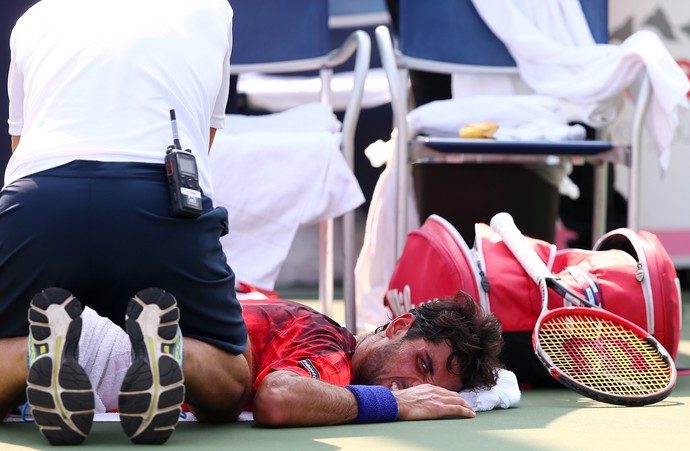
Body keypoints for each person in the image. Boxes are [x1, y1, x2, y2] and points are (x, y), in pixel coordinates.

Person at [1, 0, 251, 445]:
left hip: (40, 204)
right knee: (231, 386)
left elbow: (22, 147)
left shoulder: (32, 18)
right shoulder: (215, 9)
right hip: (159, 202)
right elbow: (203, 139)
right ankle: (168, 350)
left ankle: (42, 352)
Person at [28, 290, 504, 427]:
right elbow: (278, 397)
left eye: (429, 386)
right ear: (399, 326)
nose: (408, 385)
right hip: (101, 348)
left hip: (81, 337)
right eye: (420, 366)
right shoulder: (331, 352)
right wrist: (394, 406)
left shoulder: (310, 327)